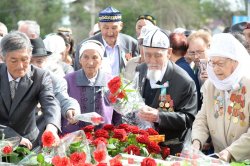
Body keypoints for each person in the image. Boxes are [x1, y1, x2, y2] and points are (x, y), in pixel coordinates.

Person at [136, 29, 197, 155]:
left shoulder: (184, 81)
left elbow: (189, 118)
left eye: (157, 55)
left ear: (169, 52)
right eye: (147, 54)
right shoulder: (140, 69)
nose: (152, 60)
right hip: (142, 144)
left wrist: (159, 116)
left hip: (170, 149)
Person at [192, 33, 250, 162]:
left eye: (221, 63)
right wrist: (196, 141)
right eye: (213, 63)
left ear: (235, 62)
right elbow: (203, 118)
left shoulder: (248, 85)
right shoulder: (211, 86)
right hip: (219, 159)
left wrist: (231, 151)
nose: (216, 69)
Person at [0, 31, 61, 149]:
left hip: (29, 143)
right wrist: (13, 137)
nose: (20, 66)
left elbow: (50, 103)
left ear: (30, 54)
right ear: (3, 57)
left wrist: (52, 128)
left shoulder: (40, 76)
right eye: (14, 60)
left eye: (25, 59)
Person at [62, 40, 121, 134]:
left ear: (101, 60)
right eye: (85, 57)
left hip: (104, 136)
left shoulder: (111, 81)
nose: (90, 62)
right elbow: (61, 105)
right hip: (74, 137)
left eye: (95, 57)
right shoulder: (67, 80)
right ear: (80, 60)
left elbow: (118, 112)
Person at [74, 6, 139, 75]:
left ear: (121, 26)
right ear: (99, 26)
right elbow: (78, 75)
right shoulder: (85, 46)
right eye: (106, 28)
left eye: (114, 28)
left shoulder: (131, 43)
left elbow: (137, 72)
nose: (110, 33)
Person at [30, 37, 80, 126]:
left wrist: (70, 108)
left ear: (46, 61)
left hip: (45, 130)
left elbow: (63, 98)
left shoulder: (56, 80)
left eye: (39, 61)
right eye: (30, 61)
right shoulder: (15, 78)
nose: (34, 66)